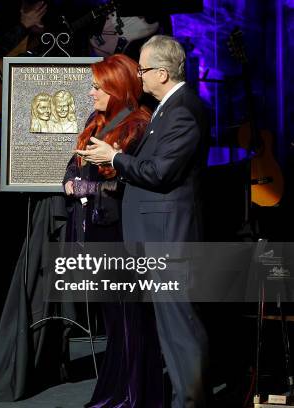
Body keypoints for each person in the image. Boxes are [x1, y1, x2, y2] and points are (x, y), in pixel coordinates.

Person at [81, 35, 210, 407]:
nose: (138, 76)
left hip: (167, 238)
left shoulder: (183, 110)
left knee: (180, 327)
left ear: (163, 73)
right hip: (154, 236)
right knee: (169, 329)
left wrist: (115, 157)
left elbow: (161, 172)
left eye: (143, 69)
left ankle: (192, 401)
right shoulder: (166, 109)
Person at [63, 54, 163, 407]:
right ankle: (116, 390)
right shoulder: (96, 120)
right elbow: (70, 171)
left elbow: (123, 186)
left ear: (117, 87)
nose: (90, 93)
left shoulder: (137, 124)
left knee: (129, 318)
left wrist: (84, 187)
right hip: (94, 232)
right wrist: (74, 182)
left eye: (97, 86)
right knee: (113, 320)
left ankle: (133, 394)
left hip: (119, 234)